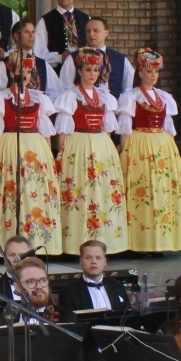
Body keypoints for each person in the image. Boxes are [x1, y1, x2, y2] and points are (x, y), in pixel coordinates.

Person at [0, 56, 61, 256]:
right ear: (11, 73)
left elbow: (46, 132)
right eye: (19, 71)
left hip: (35, 149)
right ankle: (7, 246)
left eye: (27, 72)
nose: (23, 75)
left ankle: (36, 244)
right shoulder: (1, 99)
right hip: (9, 147)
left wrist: (49, 160)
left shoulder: (38, 98)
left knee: (35, 194)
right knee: (11, 194)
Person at [52, 48, 126, 255]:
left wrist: (110, 154)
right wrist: (62, 155)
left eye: (95, 70)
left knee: (100, 190)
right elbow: (63, 131)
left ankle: (104, 241)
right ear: (80, 71)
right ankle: (76, 241)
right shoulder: (70, 96)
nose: (92, 74)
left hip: (101, 145)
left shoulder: (105, 97)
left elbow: (108, 128)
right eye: (88, 69)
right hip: (77, 144)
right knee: (78, 191)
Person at [116, 48, 181, 254]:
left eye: (156, 72)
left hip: (162, 146)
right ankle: (139, 242)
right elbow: (125, 128)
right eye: (149, 71)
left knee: (161, 191)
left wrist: (171, 153)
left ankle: (161, 241)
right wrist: (125, 152)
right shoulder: (131, 97)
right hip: (139, 145)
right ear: (140, 73)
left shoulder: (164, 97)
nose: (153, 75)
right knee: (142, 191)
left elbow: (169, 127)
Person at [58, 16, 134, 101]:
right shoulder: (73, 57)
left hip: (114, 110)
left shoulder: (120, 59)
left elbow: (129, 87)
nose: (91, 34)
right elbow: (65, 86)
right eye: (88, 31)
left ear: (106, 33)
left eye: (96, 30)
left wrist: (120, 107)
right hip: (84, 109)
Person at [0, 19, 60, 99]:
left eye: (33, 32)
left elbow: (56, 93)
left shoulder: (43, 64)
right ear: (16, 36)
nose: (31, 36)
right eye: (26, 32)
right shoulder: (4, 65)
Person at [32, 0, 90, 75]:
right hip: (57, 75)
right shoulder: (45, 21)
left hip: (84, 74)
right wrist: (59, 58)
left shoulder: (87, 19)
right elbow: (38, 53)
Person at [57, 240, 129, 315]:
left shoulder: (117, 287)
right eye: (88, 258)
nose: (93, 261)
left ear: (105, 261)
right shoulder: (69, 292)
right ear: (80, 261)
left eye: (98, 258)